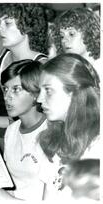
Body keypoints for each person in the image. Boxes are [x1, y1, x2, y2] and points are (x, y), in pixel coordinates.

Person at [0, 3, 48, 153]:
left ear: (28, 25)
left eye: (7, 23)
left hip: (33, 144)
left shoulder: (44, 66)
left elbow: (45, 119)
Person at [0, 60, 55, 200]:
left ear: (35, 93)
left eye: (16, 89)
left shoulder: (51, 131)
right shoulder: (12, 130)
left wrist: (4, 198)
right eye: (5, 89)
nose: (7, 96)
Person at [36, 53, 100, 199]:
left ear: (74, 93)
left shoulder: (97, 147)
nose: (39, 99)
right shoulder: (52, 140)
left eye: (48, 90)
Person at [52, 8, 101, 78]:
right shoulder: (70, 67)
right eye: (61, 36)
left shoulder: (100, 68)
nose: (63, 41)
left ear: (89, 33)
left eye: (71, 34)